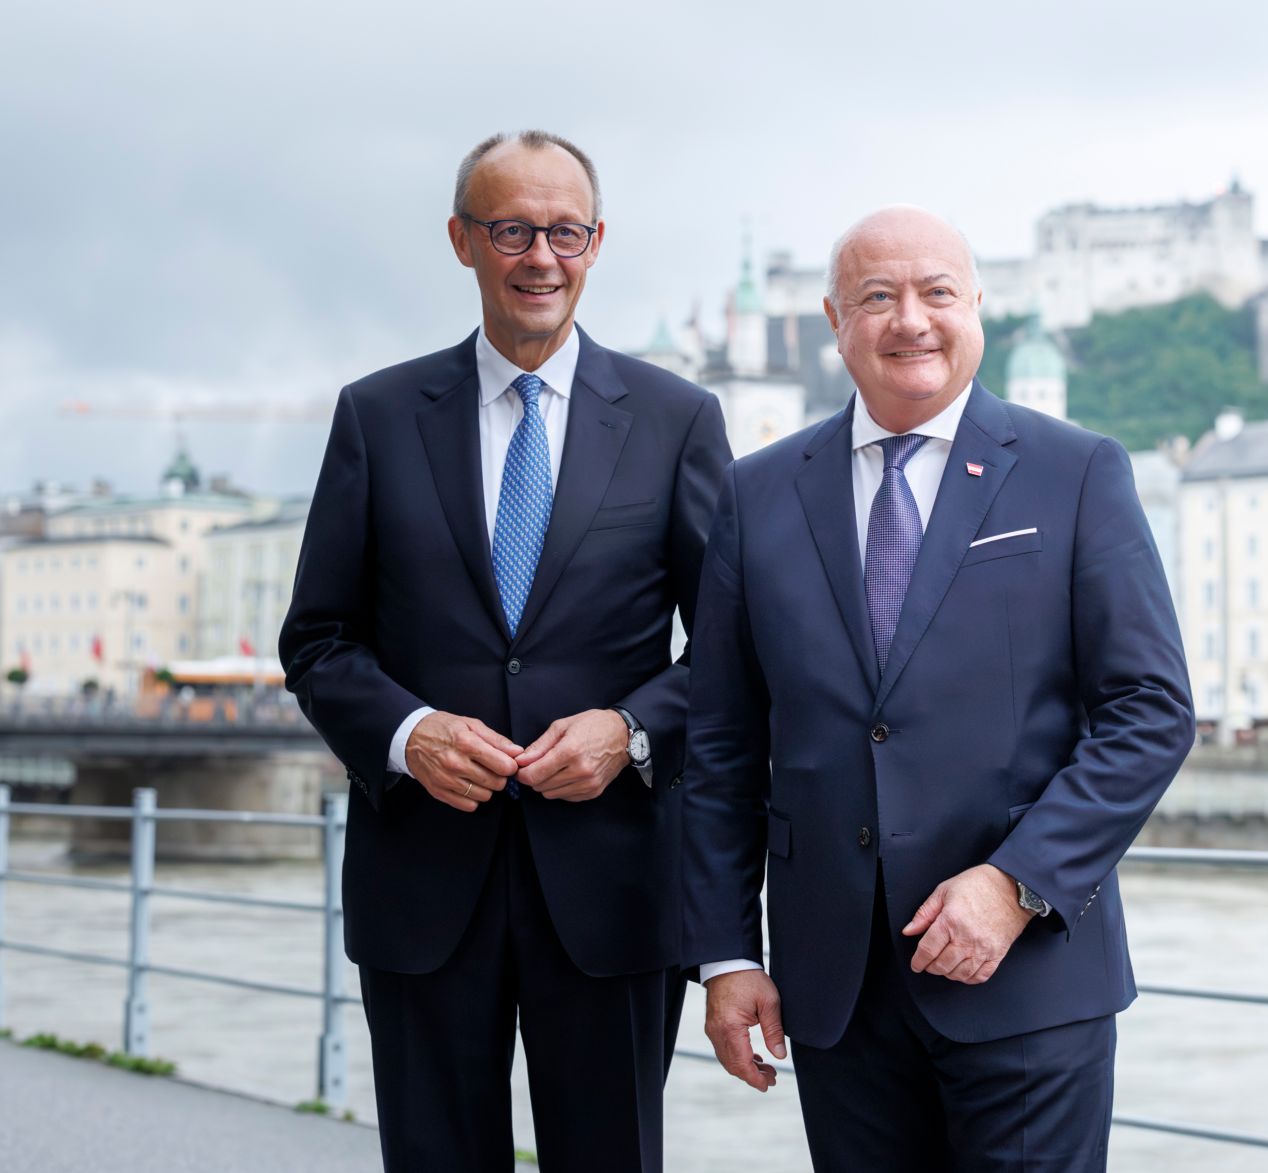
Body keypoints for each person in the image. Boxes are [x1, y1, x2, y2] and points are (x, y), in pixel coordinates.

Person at [681, 206, 1194, 1171]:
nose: (910, 319)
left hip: (1029, 979)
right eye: (878, 297)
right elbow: (721, 742)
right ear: (834, 320)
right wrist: (726, 954)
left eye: (936, 293)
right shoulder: (756, 496)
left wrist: (1015, 883)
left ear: (978, 308)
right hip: (834, 993)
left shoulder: (1076, 472)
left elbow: (1151, 712)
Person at [281, 129, 731, 1172]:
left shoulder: (676, 420)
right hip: (422, 885)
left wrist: (630, 732)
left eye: (563, 231)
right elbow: (316, 639)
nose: (540, 258)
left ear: (596, 240)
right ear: (462, 241)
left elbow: (733, 650)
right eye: (512, 230)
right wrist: (406, 734)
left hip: (615, 889)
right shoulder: (377, 416)